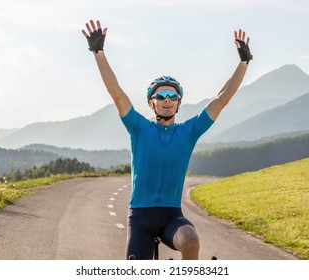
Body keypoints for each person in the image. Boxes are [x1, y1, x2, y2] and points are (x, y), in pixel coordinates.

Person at [81, 20, 252, 260]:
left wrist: (244, 62)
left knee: (191, 242)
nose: (167, 99)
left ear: (179, 102)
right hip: (140, 218)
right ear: (152, 102)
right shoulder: (138, 127)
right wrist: (98, 53)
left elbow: (221, 99)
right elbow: (116, 92)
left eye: (173, 95)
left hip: (172, 217)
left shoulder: (188, 132)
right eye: (161, 95)